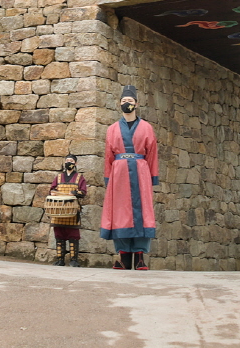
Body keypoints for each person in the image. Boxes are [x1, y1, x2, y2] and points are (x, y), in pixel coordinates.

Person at [101, 85, 159, 271]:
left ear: (137, 104)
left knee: (142, 211)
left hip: (141, 172)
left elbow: (152, 154)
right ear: (119, 104)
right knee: (121, 212)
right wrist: (108, 178)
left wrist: (152, 177)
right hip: (119, 174)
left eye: (130, 101)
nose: (127, 103)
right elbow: (108, 156)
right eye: (124, 101)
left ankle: (140, 257)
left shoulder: (147, 128)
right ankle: (124, 257)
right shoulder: (112, 129)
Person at [49, 153, 88, 267]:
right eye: (67, 161)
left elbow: (83, 192)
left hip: (72, 210)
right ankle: (60, 259)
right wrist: (53, 192)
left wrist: (75, 193)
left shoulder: (80, 177)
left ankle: (74, 260)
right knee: (59, 235)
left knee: (73, 235)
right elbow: (52, 189)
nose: (68, 163)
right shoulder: (59, 177)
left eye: (71, 161)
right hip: (59, 210)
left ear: (75, 163)